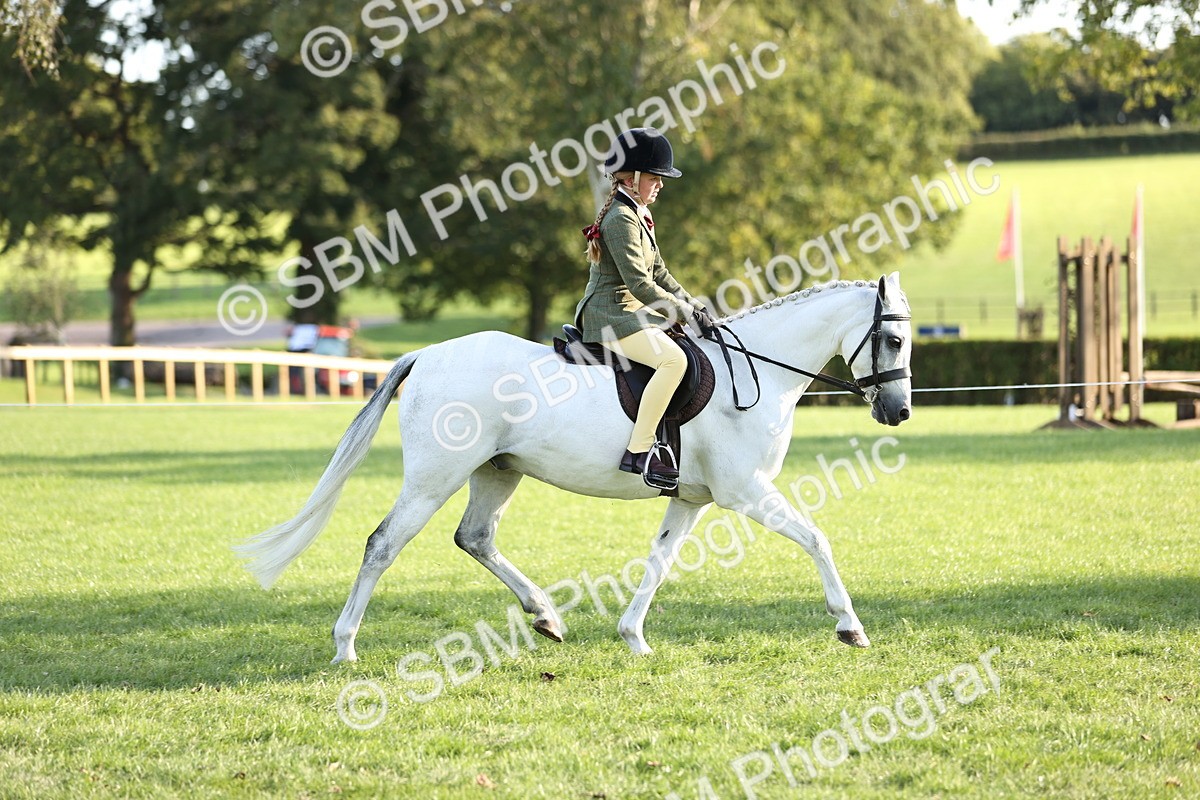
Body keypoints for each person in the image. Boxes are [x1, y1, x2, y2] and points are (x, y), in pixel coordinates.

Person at [574, 127, 717, 488]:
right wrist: (684, 313)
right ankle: (639, 450)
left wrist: (695, 306)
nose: (660, 185)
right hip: (609, 315)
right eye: (655, 178)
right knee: (674, 361)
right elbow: (640, 284)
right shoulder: (621, 219)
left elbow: (660, 273)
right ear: (632, 178)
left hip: (628, 312)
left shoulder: (637, 213)